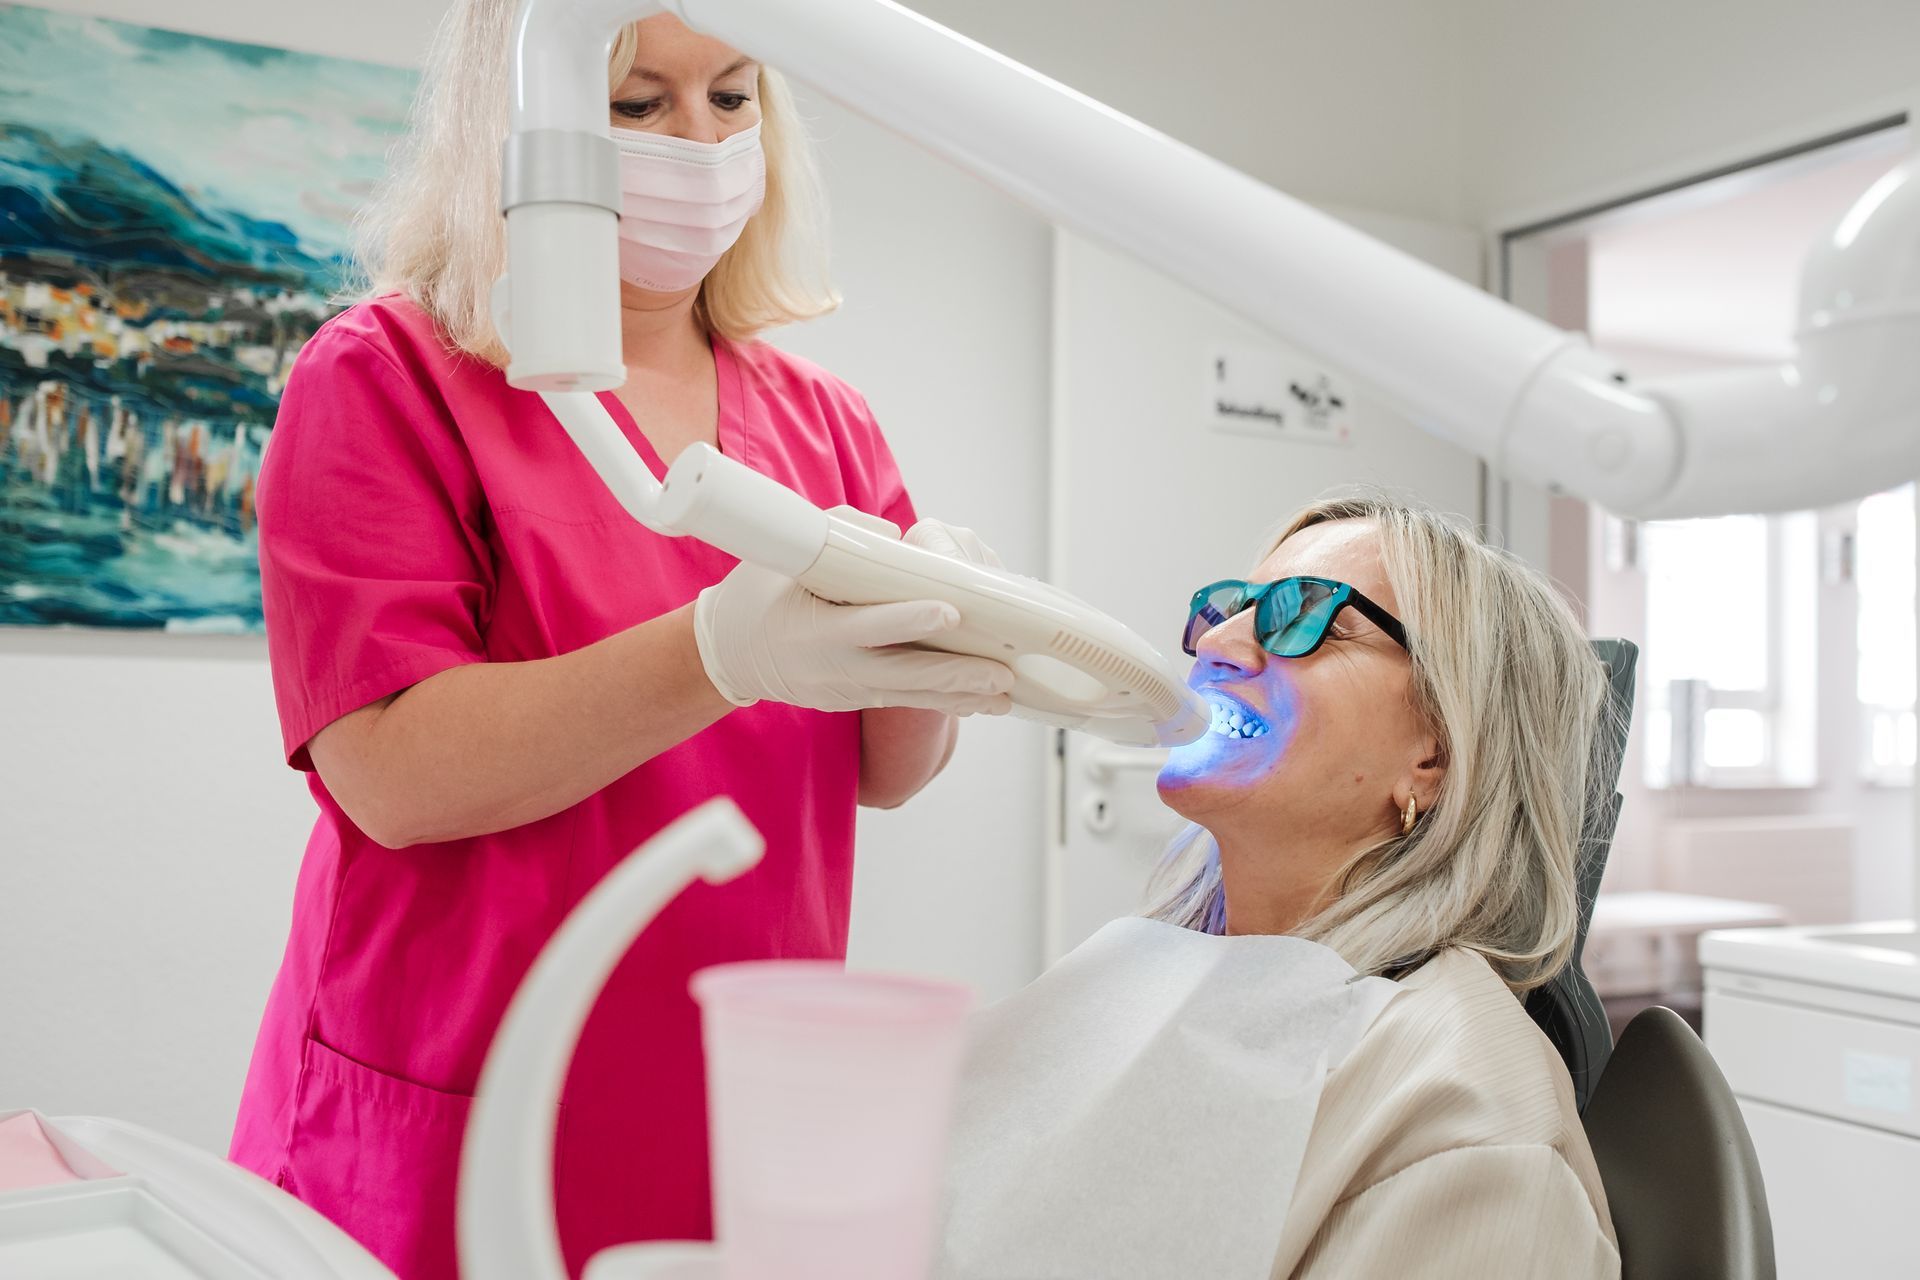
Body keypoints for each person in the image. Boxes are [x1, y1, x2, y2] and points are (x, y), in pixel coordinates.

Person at [228, 6, 1014, 1277]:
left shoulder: (826, 421)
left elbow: (880, 770)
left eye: (732, 97)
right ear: (522, 128)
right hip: (457, 1093)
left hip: (732, 1096)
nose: (697, 144)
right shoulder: (386, 375)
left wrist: (949, 649)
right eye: (637, 105)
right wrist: (714, 650)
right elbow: (395, 774)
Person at [1147, 494, 1620, 1278]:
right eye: (1227, 610)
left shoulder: (1472, 1137)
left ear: (1435, 754)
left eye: (1309, 618)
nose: (1220, 646)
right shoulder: (1163, 976)